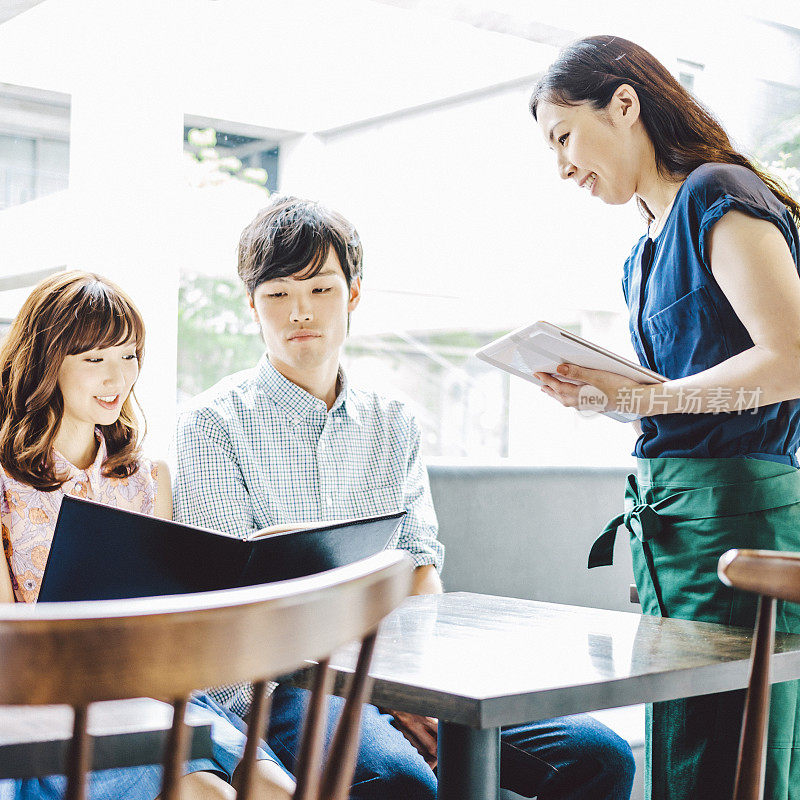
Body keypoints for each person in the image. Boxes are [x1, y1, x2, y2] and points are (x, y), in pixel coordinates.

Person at [173, 195, 636, 800]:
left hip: (397, 664)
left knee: (600, 758)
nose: (299, 312)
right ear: (251, 305)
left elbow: (420, 571)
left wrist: (416, 690)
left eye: (319, 289)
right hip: (281, 682)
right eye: (277, 294)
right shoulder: (211, 424)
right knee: (397, 781)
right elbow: (231, 603)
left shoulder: (393, 422)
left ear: (354, 295)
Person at [530, 34, 800, 800]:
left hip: (736, 521)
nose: (563, 166)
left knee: (735, 753)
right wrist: (609, 396)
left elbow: (792, 360)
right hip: (672, 525)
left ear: (624, 104)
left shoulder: (718, 193)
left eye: (565, 137)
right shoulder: (642, 249)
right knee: (682, 753)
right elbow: (701, 392)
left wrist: (645, 398)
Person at [0, 270, 296, 800]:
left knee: (283, 790)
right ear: (48, 363)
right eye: (95, 360)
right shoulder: (4, 485)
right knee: (211, 795)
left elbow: (171, 622)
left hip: (161, 696)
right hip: (52, 717)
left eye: (129, 355)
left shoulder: (147, 476)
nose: (118, 377)